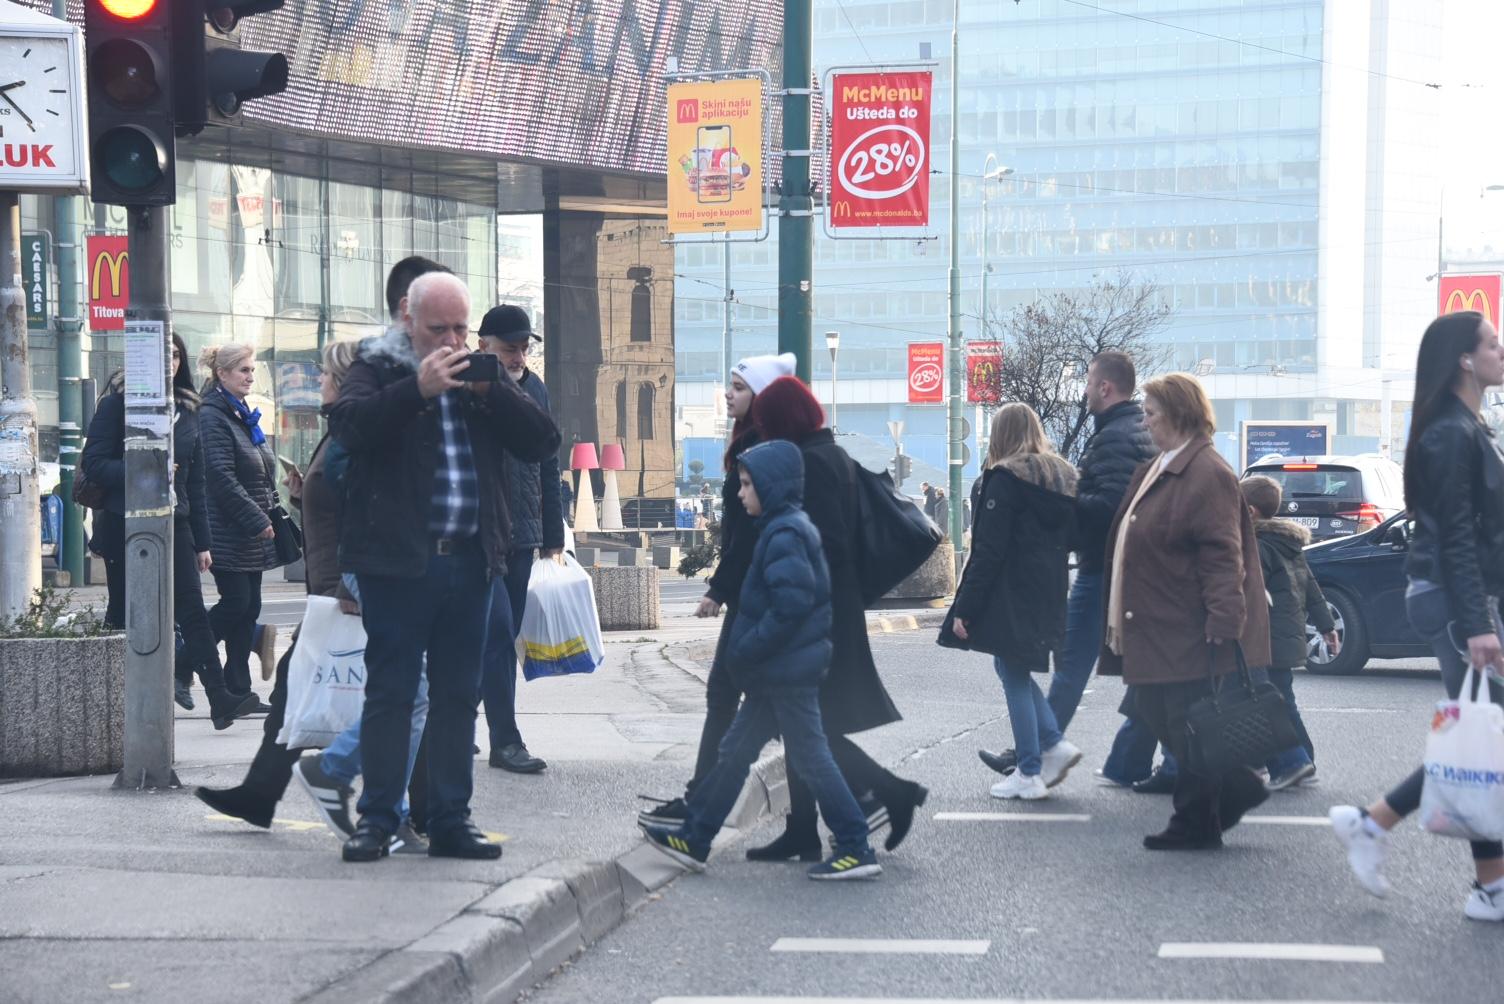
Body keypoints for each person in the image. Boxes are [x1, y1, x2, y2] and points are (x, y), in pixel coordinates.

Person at [195, 256, 449, 834]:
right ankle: (264, 794)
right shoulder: (338, 433)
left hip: (345, 585)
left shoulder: (349, 433)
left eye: (325, 377)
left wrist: (345, 584)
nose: (319, 385)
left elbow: (363, 507)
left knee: (400, 693)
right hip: (334, 585)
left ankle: (419, 806)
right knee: (305, 686)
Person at [330, 270, 560, 863]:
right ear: (409, 321)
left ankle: (452, 819)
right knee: (393, 693)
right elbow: (348, 431)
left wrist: (495, 391)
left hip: (471, 561)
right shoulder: (377, 366)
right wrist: (417, 391)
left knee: (460, 695)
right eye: (439, 329)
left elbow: (541, 442)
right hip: (397, 564)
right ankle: (377, 820)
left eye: (462, 328)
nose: (452, 341)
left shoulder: (484, 373)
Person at [1330, 310, 1504, 921]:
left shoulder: (1460, 427)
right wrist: (1479, 622)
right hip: (1459, 598)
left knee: (1481, 731)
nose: (1501, 349)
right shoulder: (1451, 434)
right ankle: (1483, 883)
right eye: (1491, 343)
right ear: (1463, 358)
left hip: (1461, 594)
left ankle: (1378, 826)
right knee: (1482, 730)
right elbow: (1456, 533)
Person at [641, 440, 882, 881]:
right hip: (778, 672)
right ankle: (696, 837)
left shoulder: (786, 532)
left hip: (787, 671)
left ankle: (855, 844)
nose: (739, 493)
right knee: (734, 752)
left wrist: (749, 646)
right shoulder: (780, 527)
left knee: (811, 757)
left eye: (748, 485)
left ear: (771, 487)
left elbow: (791, 605)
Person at [745, 377, 927, 859]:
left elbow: (820, 542)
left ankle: (891, 791)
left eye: (765, 424)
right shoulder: (829, 455)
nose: (761, 433)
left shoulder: (811, 463)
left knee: (808, 725)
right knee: (806, 720)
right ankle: (803, 827)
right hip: (830, 606)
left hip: (815, 612)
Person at [1098, 373, 1271, 851]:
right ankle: (1235, 785)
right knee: (1161, 711)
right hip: (1158, 620)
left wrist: (1224, 618)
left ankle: (1194, 822)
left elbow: (1223, 553)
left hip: (1188, 624)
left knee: (1186, 720)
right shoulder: (1163, 466)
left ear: (1176, 414)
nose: (1146, 422)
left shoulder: (1206, 472)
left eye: (1151, 413)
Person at [978, 351, 1159, 783]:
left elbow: (1112, 506)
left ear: (1105, 387)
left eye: (1088, 382)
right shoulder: (1128, 431)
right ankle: (1070, 751)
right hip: (1126, 566)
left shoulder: (1115, 437)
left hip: (1105, 566)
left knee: (1073, 661)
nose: (1083, 391)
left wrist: (1065, 507)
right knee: (1149, 666)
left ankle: (1044, 749)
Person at [637, 352, 797, 830]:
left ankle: (701, 803)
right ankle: (860, 793)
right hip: (753, 591)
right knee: (771, 706)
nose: (729, 394)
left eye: (740, 387)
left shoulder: (764, 447)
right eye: (730, 385)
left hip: (757, 593)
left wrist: (719, 588)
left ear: (763, 397)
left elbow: (751, 532)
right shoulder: (751, 440)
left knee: (735, 696)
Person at [79, 335, 258, 730]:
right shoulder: (116, 404)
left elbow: (195, 481)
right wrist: (147, 469)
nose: (170, 361)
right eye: (161, 355)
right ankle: (117, 708)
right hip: (125, 523)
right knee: (125, 614)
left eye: (175, 354)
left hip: (175, 521)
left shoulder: (188, 411)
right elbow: (94, 464)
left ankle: (219, 698)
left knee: (193, 610)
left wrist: (204, 540)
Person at [944, 404, 1080, 800]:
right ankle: (1052, 742)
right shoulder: (1064, 477)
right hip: (1051, 586)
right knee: (1013, 666)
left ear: (1000, 435)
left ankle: (1029, 769)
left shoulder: (1004, 479)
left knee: (1012, 672)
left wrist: (965, 608)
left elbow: (989, 550)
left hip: (1011, 589)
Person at [477, 304, 562, 775]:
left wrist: (553, 533)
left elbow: (549, 461)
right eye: (511, 348)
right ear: (483, 343)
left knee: (499, 635)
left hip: (523, 531)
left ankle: (457, 716)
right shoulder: (472, 386)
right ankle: (505, 741)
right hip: (481, 532)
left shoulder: (535, 388)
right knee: (493, 633)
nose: (519, 356)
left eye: (525, 348)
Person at [199, 343, 285, 710]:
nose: (251, 377)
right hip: (227, 529)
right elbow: (220, 475)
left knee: (249, 608)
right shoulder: (212, 414)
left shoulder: (241, 412)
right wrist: (255, 517)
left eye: (252, 370)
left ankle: (239, 690)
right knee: (236, 603)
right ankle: (183, 658)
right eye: (244, 371)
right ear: (222, 374)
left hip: (248, 531)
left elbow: (257, 468)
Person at [1242, 474, 1335, 790]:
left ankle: (1290, 762)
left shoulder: (1256, 546)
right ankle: (1303, 759)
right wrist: (1326, 625)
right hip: (1287, 638)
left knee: (1262, 701)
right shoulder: (1288, 544)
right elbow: (1312, 588)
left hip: (1265, 638)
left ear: (1250, 511)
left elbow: (1250, 590)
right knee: (1283, 701)